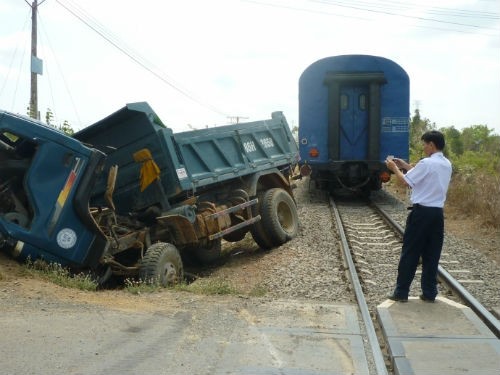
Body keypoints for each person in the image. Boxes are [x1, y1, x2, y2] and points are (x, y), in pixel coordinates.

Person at [385, 130, 452, 302]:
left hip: (421, 213)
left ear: (431, 145)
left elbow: (405, 181)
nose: (423, 147)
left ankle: (401, 292)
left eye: (424, 144)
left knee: (411, 252)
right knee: (432, 253)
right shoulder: (446, 164)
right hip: (437, 214)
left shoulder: (427, 163)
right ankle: (429, 293)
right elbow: (426, 174)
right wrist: (406, 166)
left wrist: (394, 168)